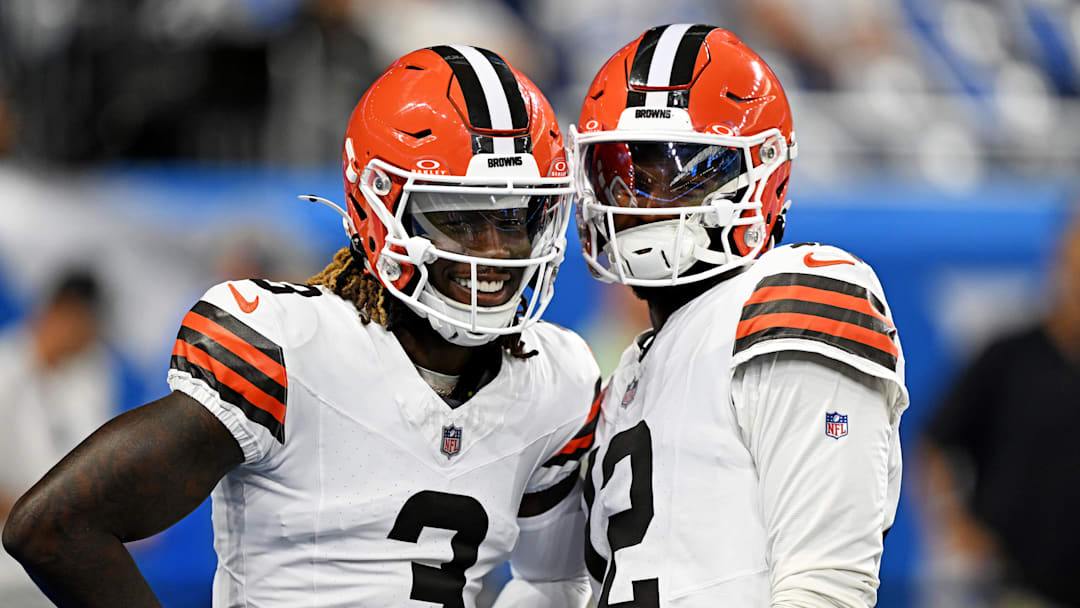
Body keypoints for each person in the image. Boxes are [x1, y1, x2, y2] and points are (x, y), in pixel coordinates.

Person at [3, 45, 598, 608]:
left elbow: (554, 579)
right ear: (380, 208)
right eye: (458, 217)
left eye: (513, 215)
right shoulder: (294, 347)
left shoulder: (554, 381)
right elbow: (55, 526)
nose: (493, 252)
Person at [571, 25, 909, 605]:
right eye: (622, 175)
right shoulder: (631, 369)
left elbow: (826, 584)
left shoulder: (796, 296)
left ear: (761, 174)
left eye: (677, 176)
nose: (639, 203)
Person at [919, 211, 1080, 607]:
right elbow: (934, 444)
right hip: (1019, 585)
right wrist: (956, 529)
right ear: (1058, 266)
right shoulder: (1011, 357)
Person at [0, 270, 114, 607]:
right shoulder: (5, 371)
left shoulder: (93, 371)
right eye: (86, 325)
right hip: (7, 571)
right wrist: (36, 512)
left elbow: (100, 468)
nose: (91, 336)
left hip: (71, 573)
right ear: (60, 314)